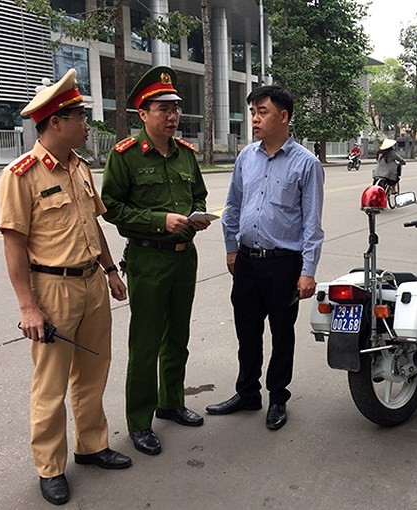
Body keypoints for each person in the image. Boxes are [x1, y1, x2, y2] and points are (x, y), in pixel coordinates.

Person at [0, 69, 131, 506]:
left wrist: (111, 270)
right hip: (52, 289)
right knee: (50, 384)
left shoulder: (79, 167)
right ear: (56, 121)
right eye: (79, 116)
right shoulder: (21, 176)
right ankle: (50, 467)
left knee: (94, 372)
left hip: (92, 282)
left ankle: (91, 445)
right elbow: (14, 245)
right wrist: (27, 307)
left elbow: (92, 223)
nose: (86, 125)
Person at [101, 66, 211, 455]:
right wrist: (157, 221)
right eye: (162, 108)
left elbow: (199, 193)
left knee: (176, 337)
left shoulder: (185, 155)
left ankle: (172, 402)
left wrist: (197, 215)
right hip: (148, 260)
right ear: (142, 114)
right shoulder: (126, 157)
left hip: (185, 257)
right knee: (145, 343)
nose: (172, 116)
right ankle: (140, 420)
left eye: (175, 108)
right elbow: (110, 207)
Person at [206, 85, 324, 431]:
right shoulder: (246, 157)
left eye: (262, 111)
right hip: (247, 261)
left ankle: (277, 397)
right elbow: (233, 207)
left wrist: (308, 271)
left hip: (283, 264)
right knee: (247, 331)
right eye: (253, 112)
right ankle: (247, 393)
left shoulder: (306, 164)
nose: (254, 119)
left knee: (282, 333)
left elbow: (312, 224)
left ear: (283, 116)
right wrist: (231, 248)